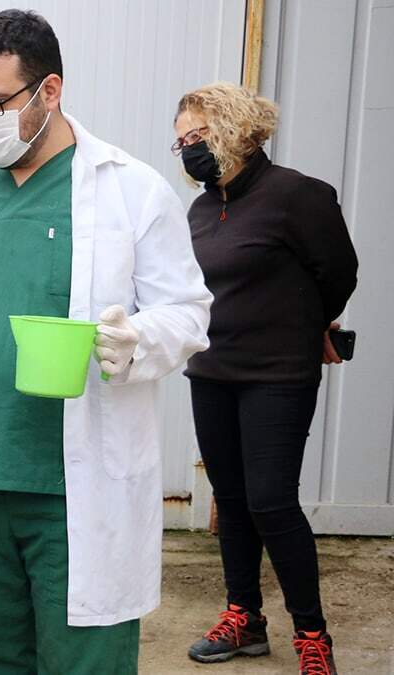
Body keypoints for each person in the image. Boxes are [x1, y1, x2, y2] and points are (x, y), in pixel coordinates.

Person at [0, 10, 212, 673]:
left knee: (87, 660)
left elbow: (189, 312)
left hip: (72, 486)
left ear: (49, 91)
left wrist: (138, 338)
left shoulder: (131, 191)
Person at [174, 83, 358, 675]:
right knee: (230, 502)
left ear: (236, 128)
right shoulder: (201, 209)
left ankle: (312, 635)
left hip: (277, 373)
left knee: (272, 502)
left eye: (197, 136)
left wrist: (306, 326)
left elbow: (338, 273)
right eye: (179, 142)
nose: (187, 151)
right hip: (212, 369)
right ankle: (244, 618)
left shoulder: (298, 196)